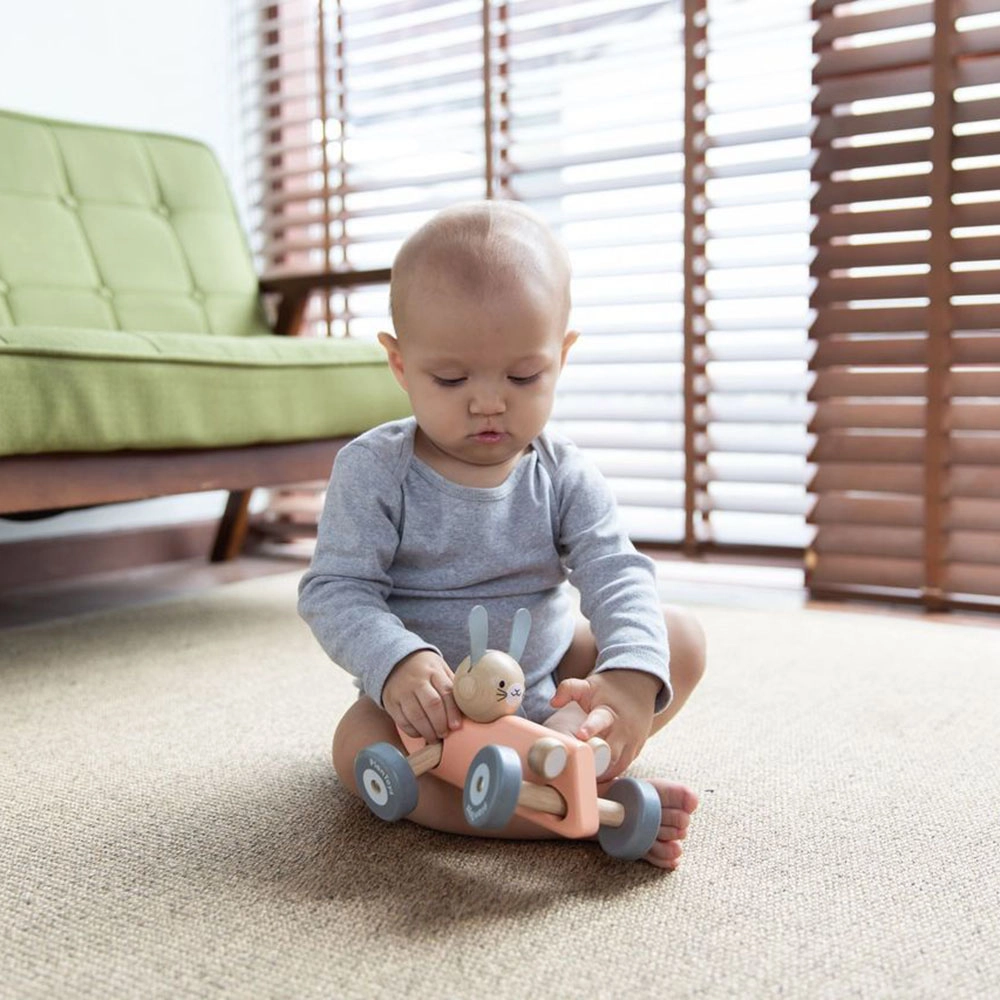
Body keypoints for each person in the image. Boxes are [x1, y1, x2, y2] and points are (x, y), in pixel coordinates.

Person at [298, 200, 706, 869]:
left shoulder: (563, 471)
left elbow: (616, 572)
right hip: (434, 716)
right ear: (400, 365)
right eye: (451, 378)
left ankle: (571, 754)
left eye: (523, 376)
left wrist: (628, 684)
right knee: (357, 749)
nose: (489, 401)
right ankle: (574, 814)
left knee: (677, 638)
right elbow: (337, 590)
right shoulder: (374, 470)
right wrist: (396, 662)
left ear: (562, 355)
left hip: (549, 691)